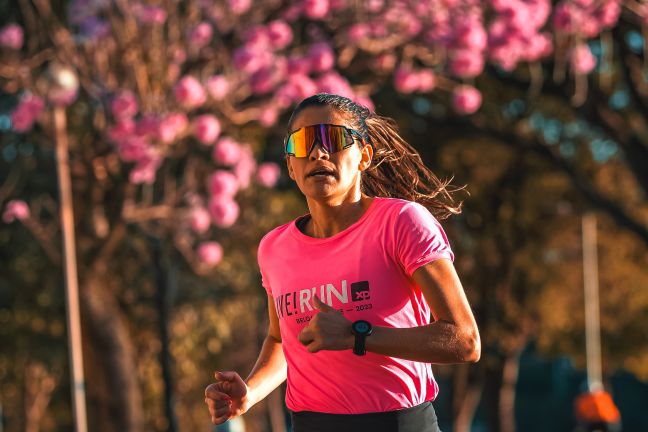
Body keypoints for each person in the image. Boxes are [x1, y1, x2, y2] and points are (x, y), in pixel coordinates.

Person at [205, 93, 480, 432]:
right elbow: (282, 341)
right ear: (291, 165)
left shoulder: (401, 223)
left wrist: (357, 335)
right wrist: (251, 392)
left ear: (364, 156)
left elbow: (465, 340)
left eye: (333, 139)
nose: (318, 152)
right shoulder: (274, 247)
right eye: (303, 142)